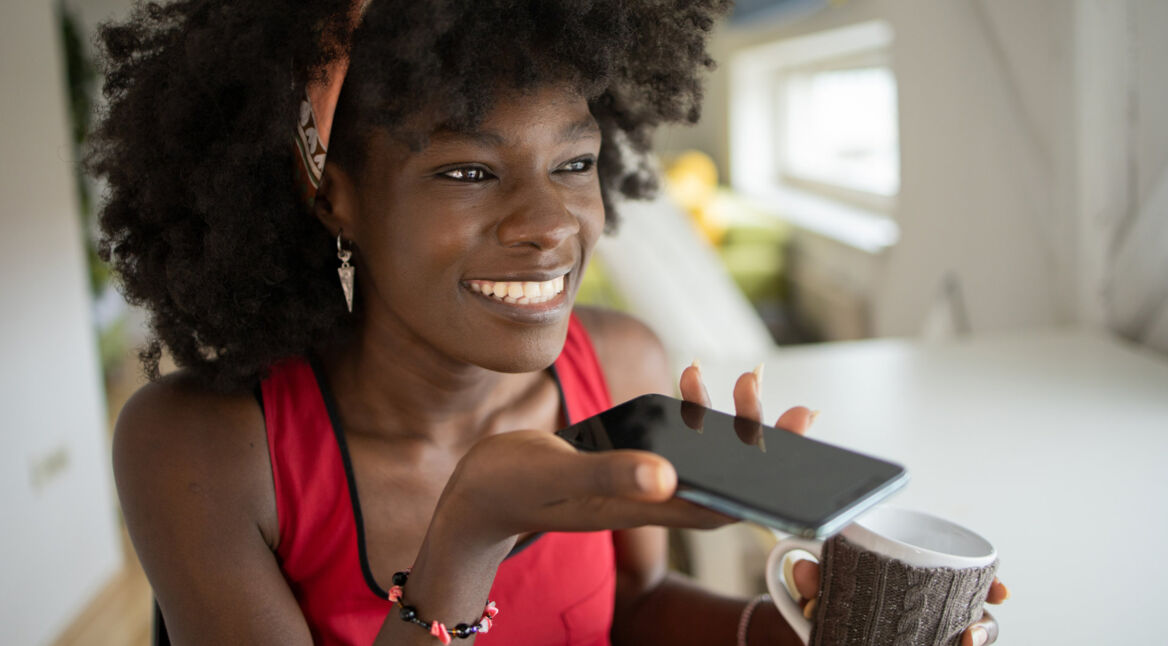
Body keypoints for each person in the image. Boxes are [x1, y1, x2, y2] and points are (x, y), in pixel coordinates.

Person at [90, 1, 1007, 644]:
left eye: (574, 163)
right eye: (467, 172)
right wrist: (469, 533)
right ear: (335, 198)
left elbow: (633, 614)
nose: (551, 226)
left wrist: (813, 632)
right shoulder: (204, 450)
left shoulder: (616, 357)